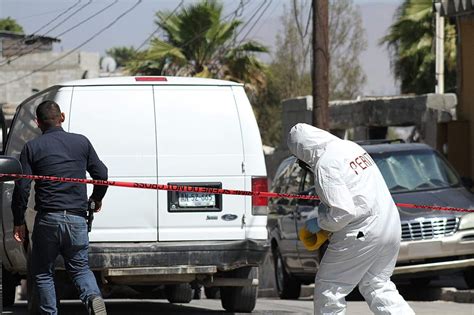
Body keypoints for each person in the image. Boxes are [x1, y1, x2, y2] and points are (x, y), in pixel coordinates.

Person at [287, 123, 414, 315]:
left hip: (363, 231)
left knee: (329, 288)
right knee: (377, 284)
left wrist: (320, 223)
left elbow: (343, 212)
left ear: (302, 151)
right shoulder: (351, 147)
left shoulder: (325, 164)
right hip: (390, 223)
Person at [11, 100, 108, 315]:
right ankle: (92, 297)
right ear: (61, 117)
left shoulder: (32, 147)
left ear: (38, 123)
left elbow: (22, 188)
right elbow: (101, 175)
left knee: (44, 272)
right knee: (80, 268)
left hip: (48, 220)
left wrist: (18, 221)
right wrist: (97, 198)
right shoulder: (81, 142)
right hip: (76, 219)